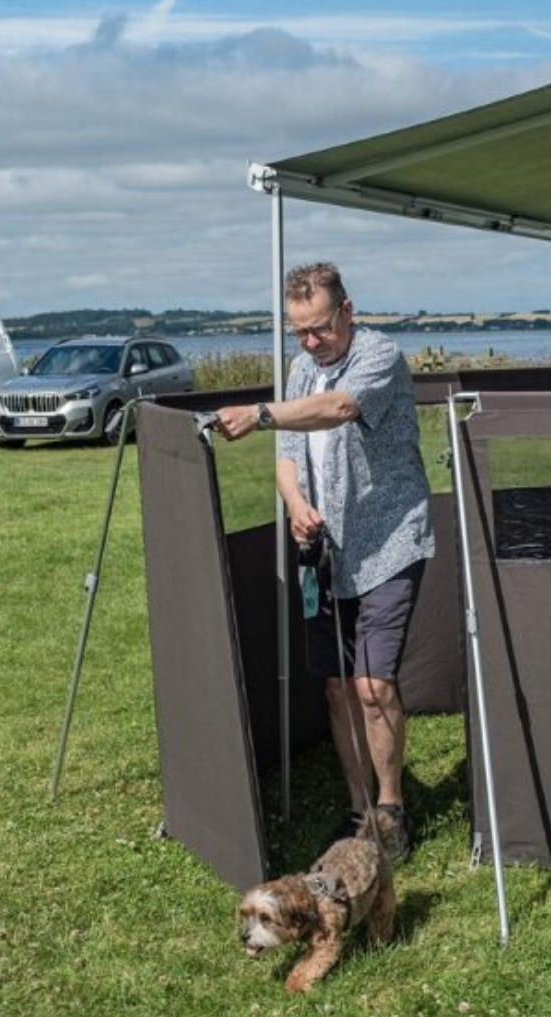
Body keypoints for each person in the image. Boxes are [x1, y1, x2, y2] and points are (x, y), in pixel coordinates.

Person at [214, 262, 434, 863]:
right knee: (338, 688)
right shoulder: (300, 368)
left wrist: (259, 413)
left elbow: (337, 408)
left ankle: (391, 810)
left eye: (319, 328)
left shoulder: (379, 356)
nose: (311, 342)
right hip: (325, 551)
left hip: (388, 543)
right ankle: (358, 808)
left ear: (347, 311)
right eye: (299, 332)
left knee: (372, 684)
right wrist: (294, 504)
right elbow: (288, 455)